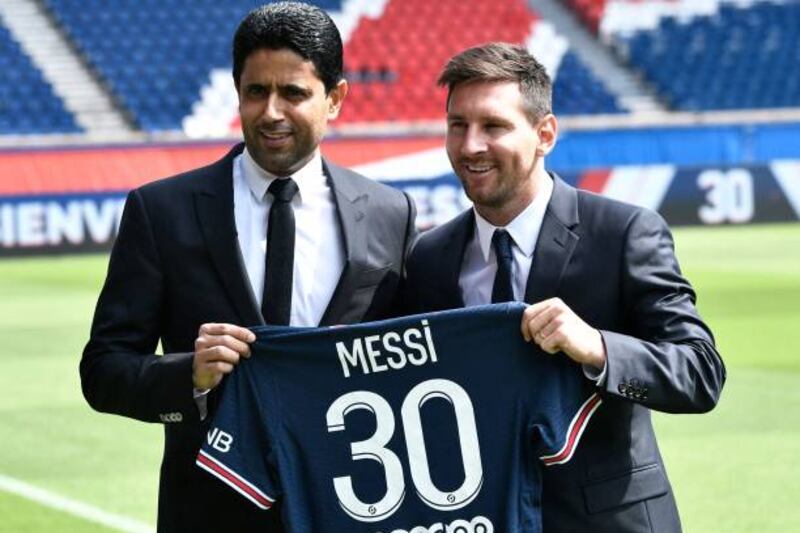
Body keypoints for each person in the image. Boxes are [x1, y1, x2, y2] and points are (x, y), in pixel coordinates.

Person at [80, 3, 416, 532]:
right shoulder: (161, 212)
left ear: (336, 99)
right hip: (211, 513)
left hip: (355, 510)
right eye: (256, 92)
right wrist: (187, 374)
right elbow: (103, 371)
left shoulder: (389, 213)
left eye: (294, 93)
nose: (271, 112)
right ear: (237, 92)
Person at [404, 42, 725, 532]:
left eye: (493, 126)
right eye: (457, 125)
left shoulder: (624, 233)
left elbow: (700, 373)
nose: (470, 146)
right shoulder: (429, 258)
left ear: (545, 134)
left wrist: (597, 348)